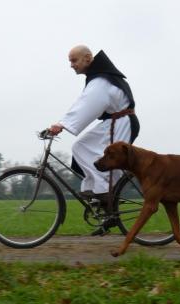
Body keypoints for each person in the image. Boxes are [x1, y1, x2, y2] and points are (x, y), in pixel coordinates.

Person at [48, 45, 140, 235]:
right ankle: (104, 206)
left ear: (88, 58)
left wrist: (62, 124)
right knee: (82, 148)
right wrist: (63, 123)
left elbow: (85, 105)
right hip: (116, 121)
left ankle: (104, 196)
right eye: (70, 61)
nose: (71, 65)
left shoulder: (100, 82)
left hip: (120, 123)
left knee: (96, 155)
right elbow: (84, 102)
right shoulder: (99, 78)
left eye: (74, 60)